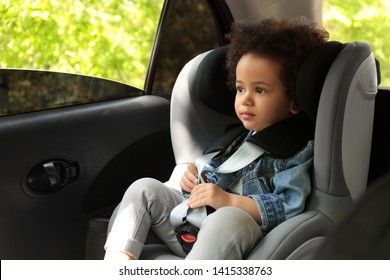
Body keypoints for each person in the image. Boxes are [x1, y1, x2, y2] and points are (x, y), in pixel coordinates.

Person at [104, 17, 329, 260]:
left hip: (237, 238)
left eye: (260, 90)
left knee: (227, 217)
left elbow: (288, 205)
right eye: (241, 88)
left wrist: (228, 201)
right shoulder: (237, 138)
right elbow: (217, 174)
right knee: (143, 189)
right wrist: (192, 179)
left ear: (294, 101)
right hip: (193, 226)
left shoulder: (296, 150)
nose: (246, 99)